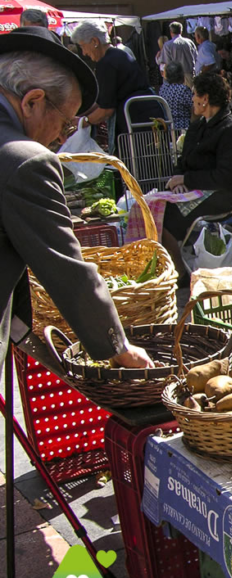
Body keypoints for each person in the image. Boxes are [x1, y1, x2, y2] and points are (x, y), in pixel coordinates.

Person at [0, 26, 153, 374]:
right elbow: (65, 266)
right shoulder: (25, 160)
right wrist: (118, 345)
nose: (61, 137)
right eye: (66, 124)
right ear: (32, 101)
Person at [158, 72, 232, 282]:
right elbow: (182, 162)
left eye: (194, 94)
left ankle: (180, 274)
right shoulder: (198, 125)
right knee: (153, 208)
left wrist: (187, 180)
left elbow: (224, 177)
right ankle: (169, 268)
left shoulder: (231, 131)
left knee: (166, 217)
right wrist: (179, 179)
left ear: (205, 99)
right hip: (192, 191)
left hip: (220, 197)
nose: (192, 99)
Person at [71, 22, 162, 149]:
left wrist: (83, 122)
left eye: (83, 47)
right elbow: (102, 101)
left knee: (138, 164)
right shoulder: (118, 54)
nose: (84, 53)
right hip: (146, 117)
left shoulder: (107, 63)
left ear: (94, 41)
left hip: (136, 122)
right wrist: (78, 117)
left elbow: (106, 109)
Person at [161, 21, 198, 88]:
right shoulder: (189, 42)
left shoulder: (168, 45)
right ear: (181, 31)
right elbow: (196, 58)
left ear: (171, 32)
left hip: (175, 77)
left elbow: (168, 63)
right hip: (189, 74)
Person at [158, 61, 193, 130]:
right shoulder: (183, 90)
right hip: (183, 129)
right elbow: (194, 109)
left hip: (167, 128)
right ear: (181, 75)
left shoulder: (163, 89)